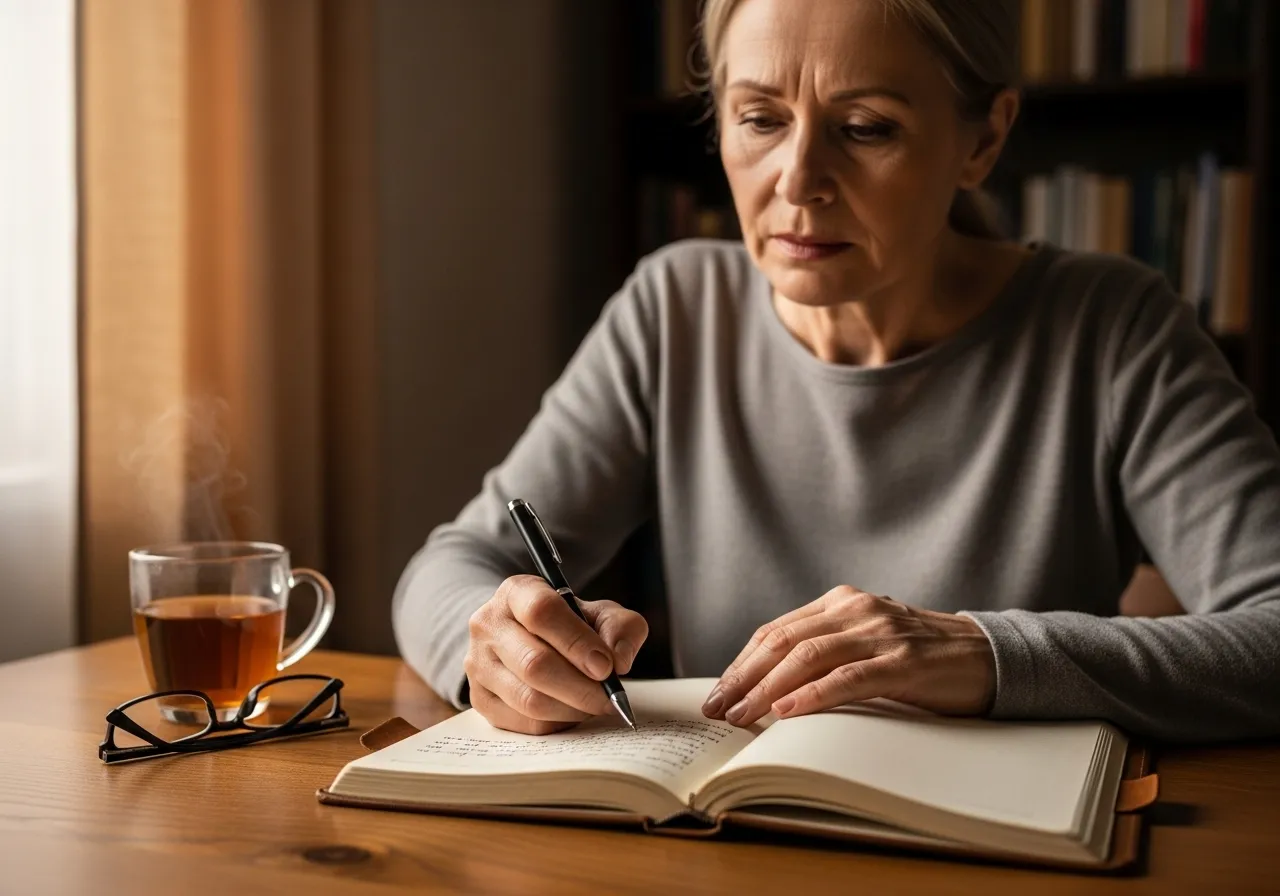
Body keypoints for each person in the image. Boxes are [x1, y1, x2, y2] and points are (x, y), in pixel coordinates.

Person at [393, 0, 1280, 742]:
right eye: (760, 119)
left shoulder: (1114, 328)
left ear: (983, 139)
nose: (798, 181)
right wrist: (503, 648)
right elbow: (454, 564)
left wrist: (986, 653)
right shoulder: (675, 309)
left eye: (865, 128)